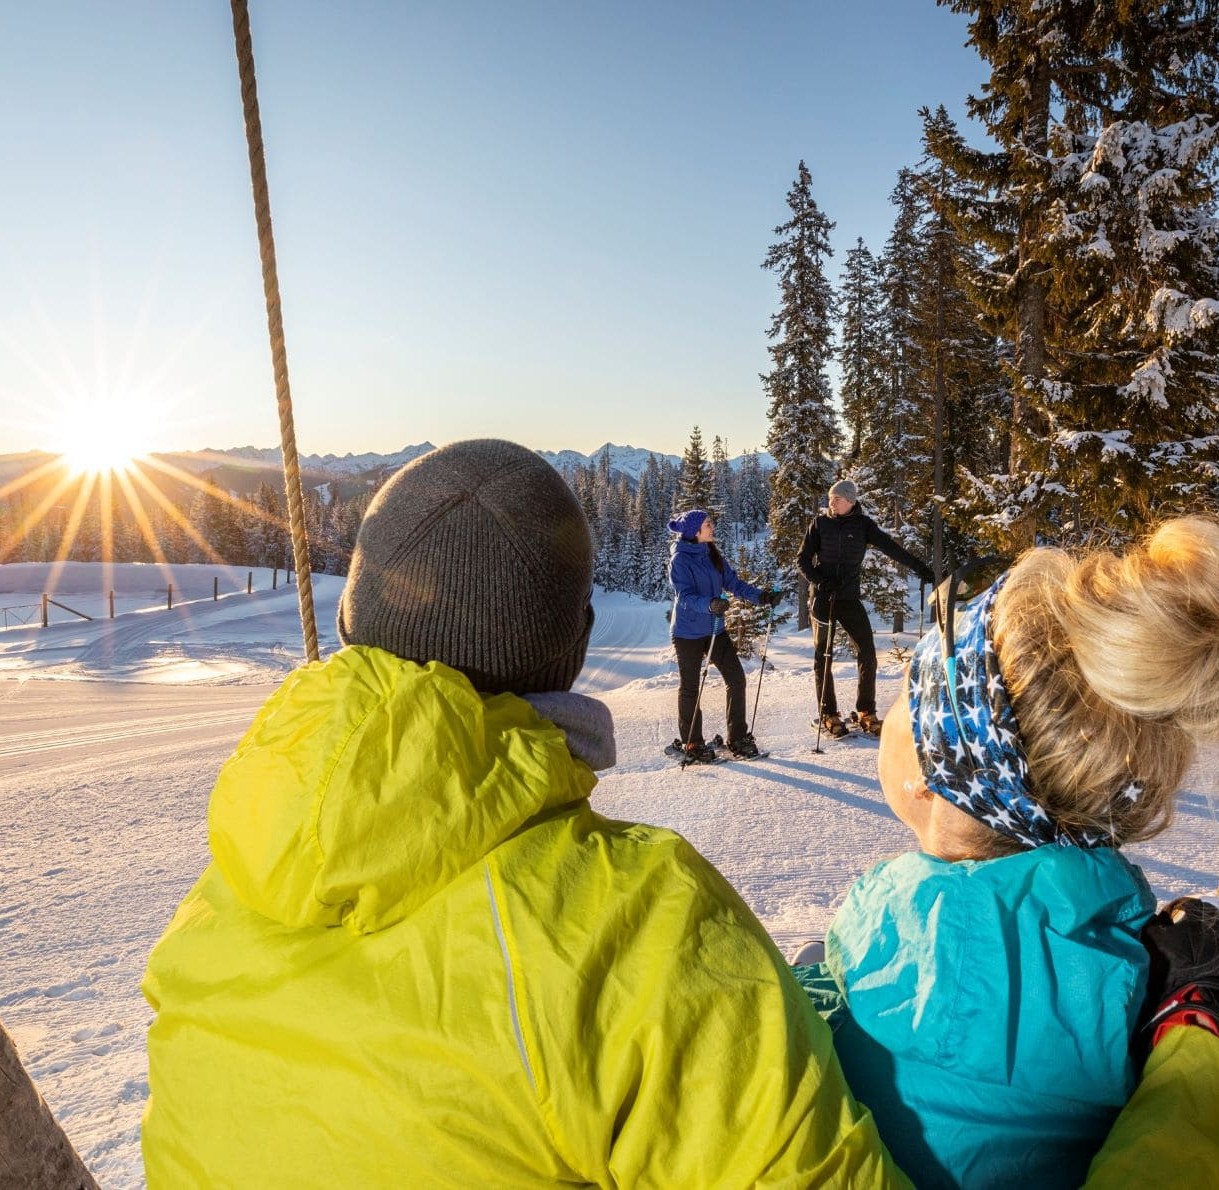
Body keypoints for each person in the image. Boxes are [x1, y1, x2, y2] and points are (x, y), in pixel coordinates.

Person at [142, 441, 899, 1187]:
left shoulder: (219, 896)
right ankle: (700, 735)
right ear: (573, 648)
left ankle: (721, 734)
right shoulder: (642, 924)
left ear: (348, 621)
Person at [792, 516, 1219, 1188]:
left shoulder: (878, 945)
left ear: (934, 769)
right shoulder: (1159, 1005)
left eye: (913, 688)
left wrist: (810, 993)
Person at [796, 478, 932, 738]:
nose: (831, 502)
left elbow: (891, 548)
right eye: (830, 499)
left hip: (848, 599)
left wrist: (920, 568)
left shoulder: (863, 525)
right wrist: (821, 581)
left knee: (867, 653)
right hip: (824, 599)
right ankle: (829, 714)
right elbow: (801, 560)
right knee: (823, 657)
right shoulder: (820, 523)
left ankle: (866, 711)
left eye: (836, 499)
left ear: (850, 500)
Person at [668, 508, 783, 762]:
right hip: (687, 633)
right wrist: (709, 604)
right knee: (690, 688)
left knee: (736, 679)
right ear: (695, 531)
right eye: (708, 524)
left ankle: (738, 738)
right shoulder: (679, 560)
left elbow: (734, 583)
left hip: (715, 630)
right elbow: (684, 597)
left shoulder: (711, 554)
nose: (712, 526)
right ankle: (692, 744)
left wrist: (762, 597)